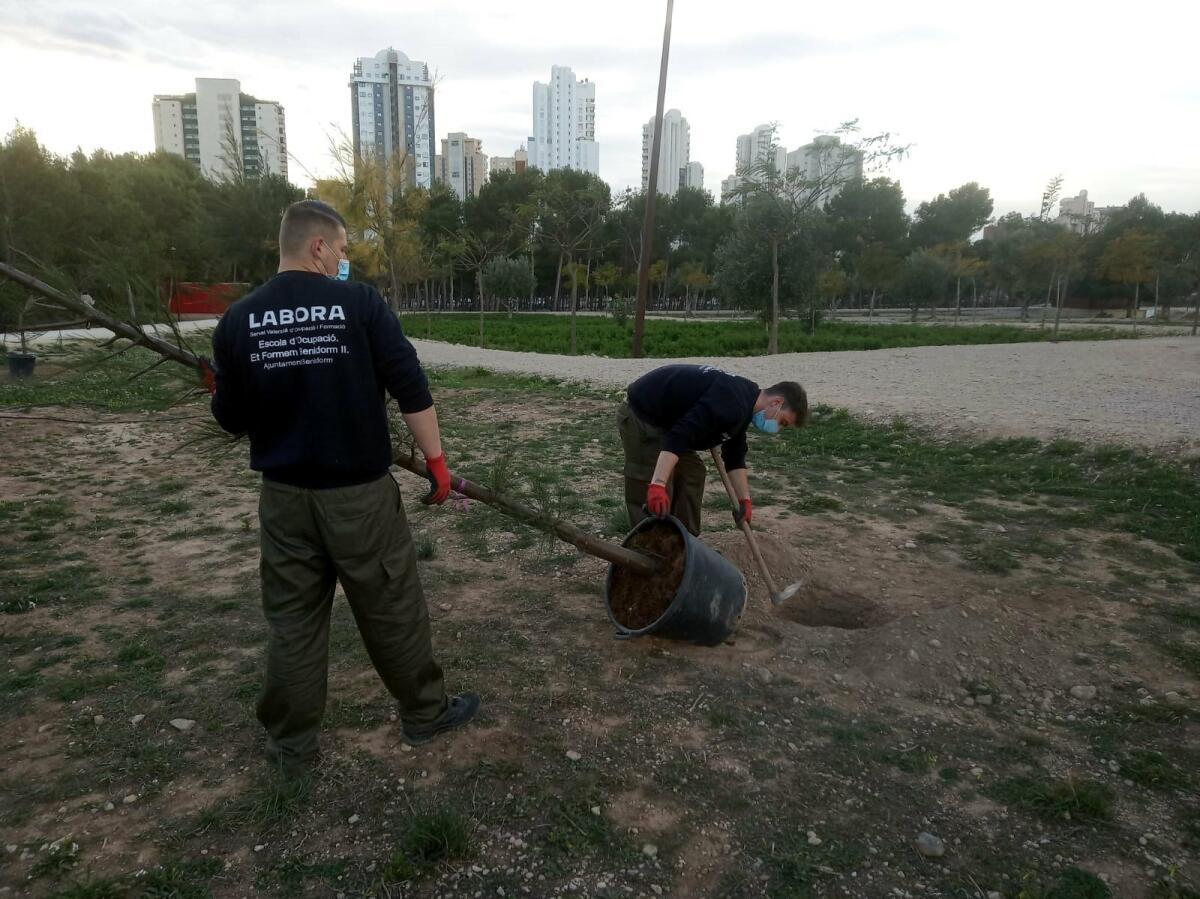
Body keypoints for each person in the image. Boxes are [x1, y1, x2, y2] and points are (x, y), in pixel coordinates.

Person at [207, 199, 478, 771]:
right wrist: (437, 462)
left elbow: (229, 419)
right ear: (317, 247)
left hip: (283, 501)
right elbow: (410, 385)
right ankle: (425, 715)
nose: (345, 260)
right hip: (359, 500)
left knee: (293, 624)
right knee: (392, 608)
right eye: (343, 249)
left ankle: (291, 749)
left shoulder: (239, 320)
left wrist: (225, 386)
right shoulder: (359, 303)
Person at [618, 364, 809, 536]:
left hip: (672, 424)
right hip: (644, 416)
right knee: (652, 480)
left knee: (693, 473)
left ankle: (683, 541)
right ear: (776, 402)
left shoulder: (746, 402)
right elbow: (679, 437)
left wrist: (744, 501)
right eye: (782, 422)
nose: (778, 428)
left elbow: (734, 455)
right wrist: (657, 484)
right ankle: (649, 545)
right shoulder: (732, 402)